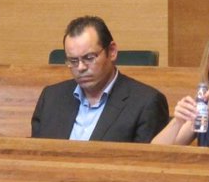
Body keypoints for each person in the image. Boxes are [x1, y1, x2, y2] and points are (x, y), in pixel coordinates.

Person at [30, 15, 169, 143]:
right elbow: (35, 154)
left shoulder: (146, 103)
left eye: (89, 58)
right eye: (73, 61)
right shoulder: (51, 98)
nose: (81, 67)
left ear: (112, 51)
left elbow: (146, 159)